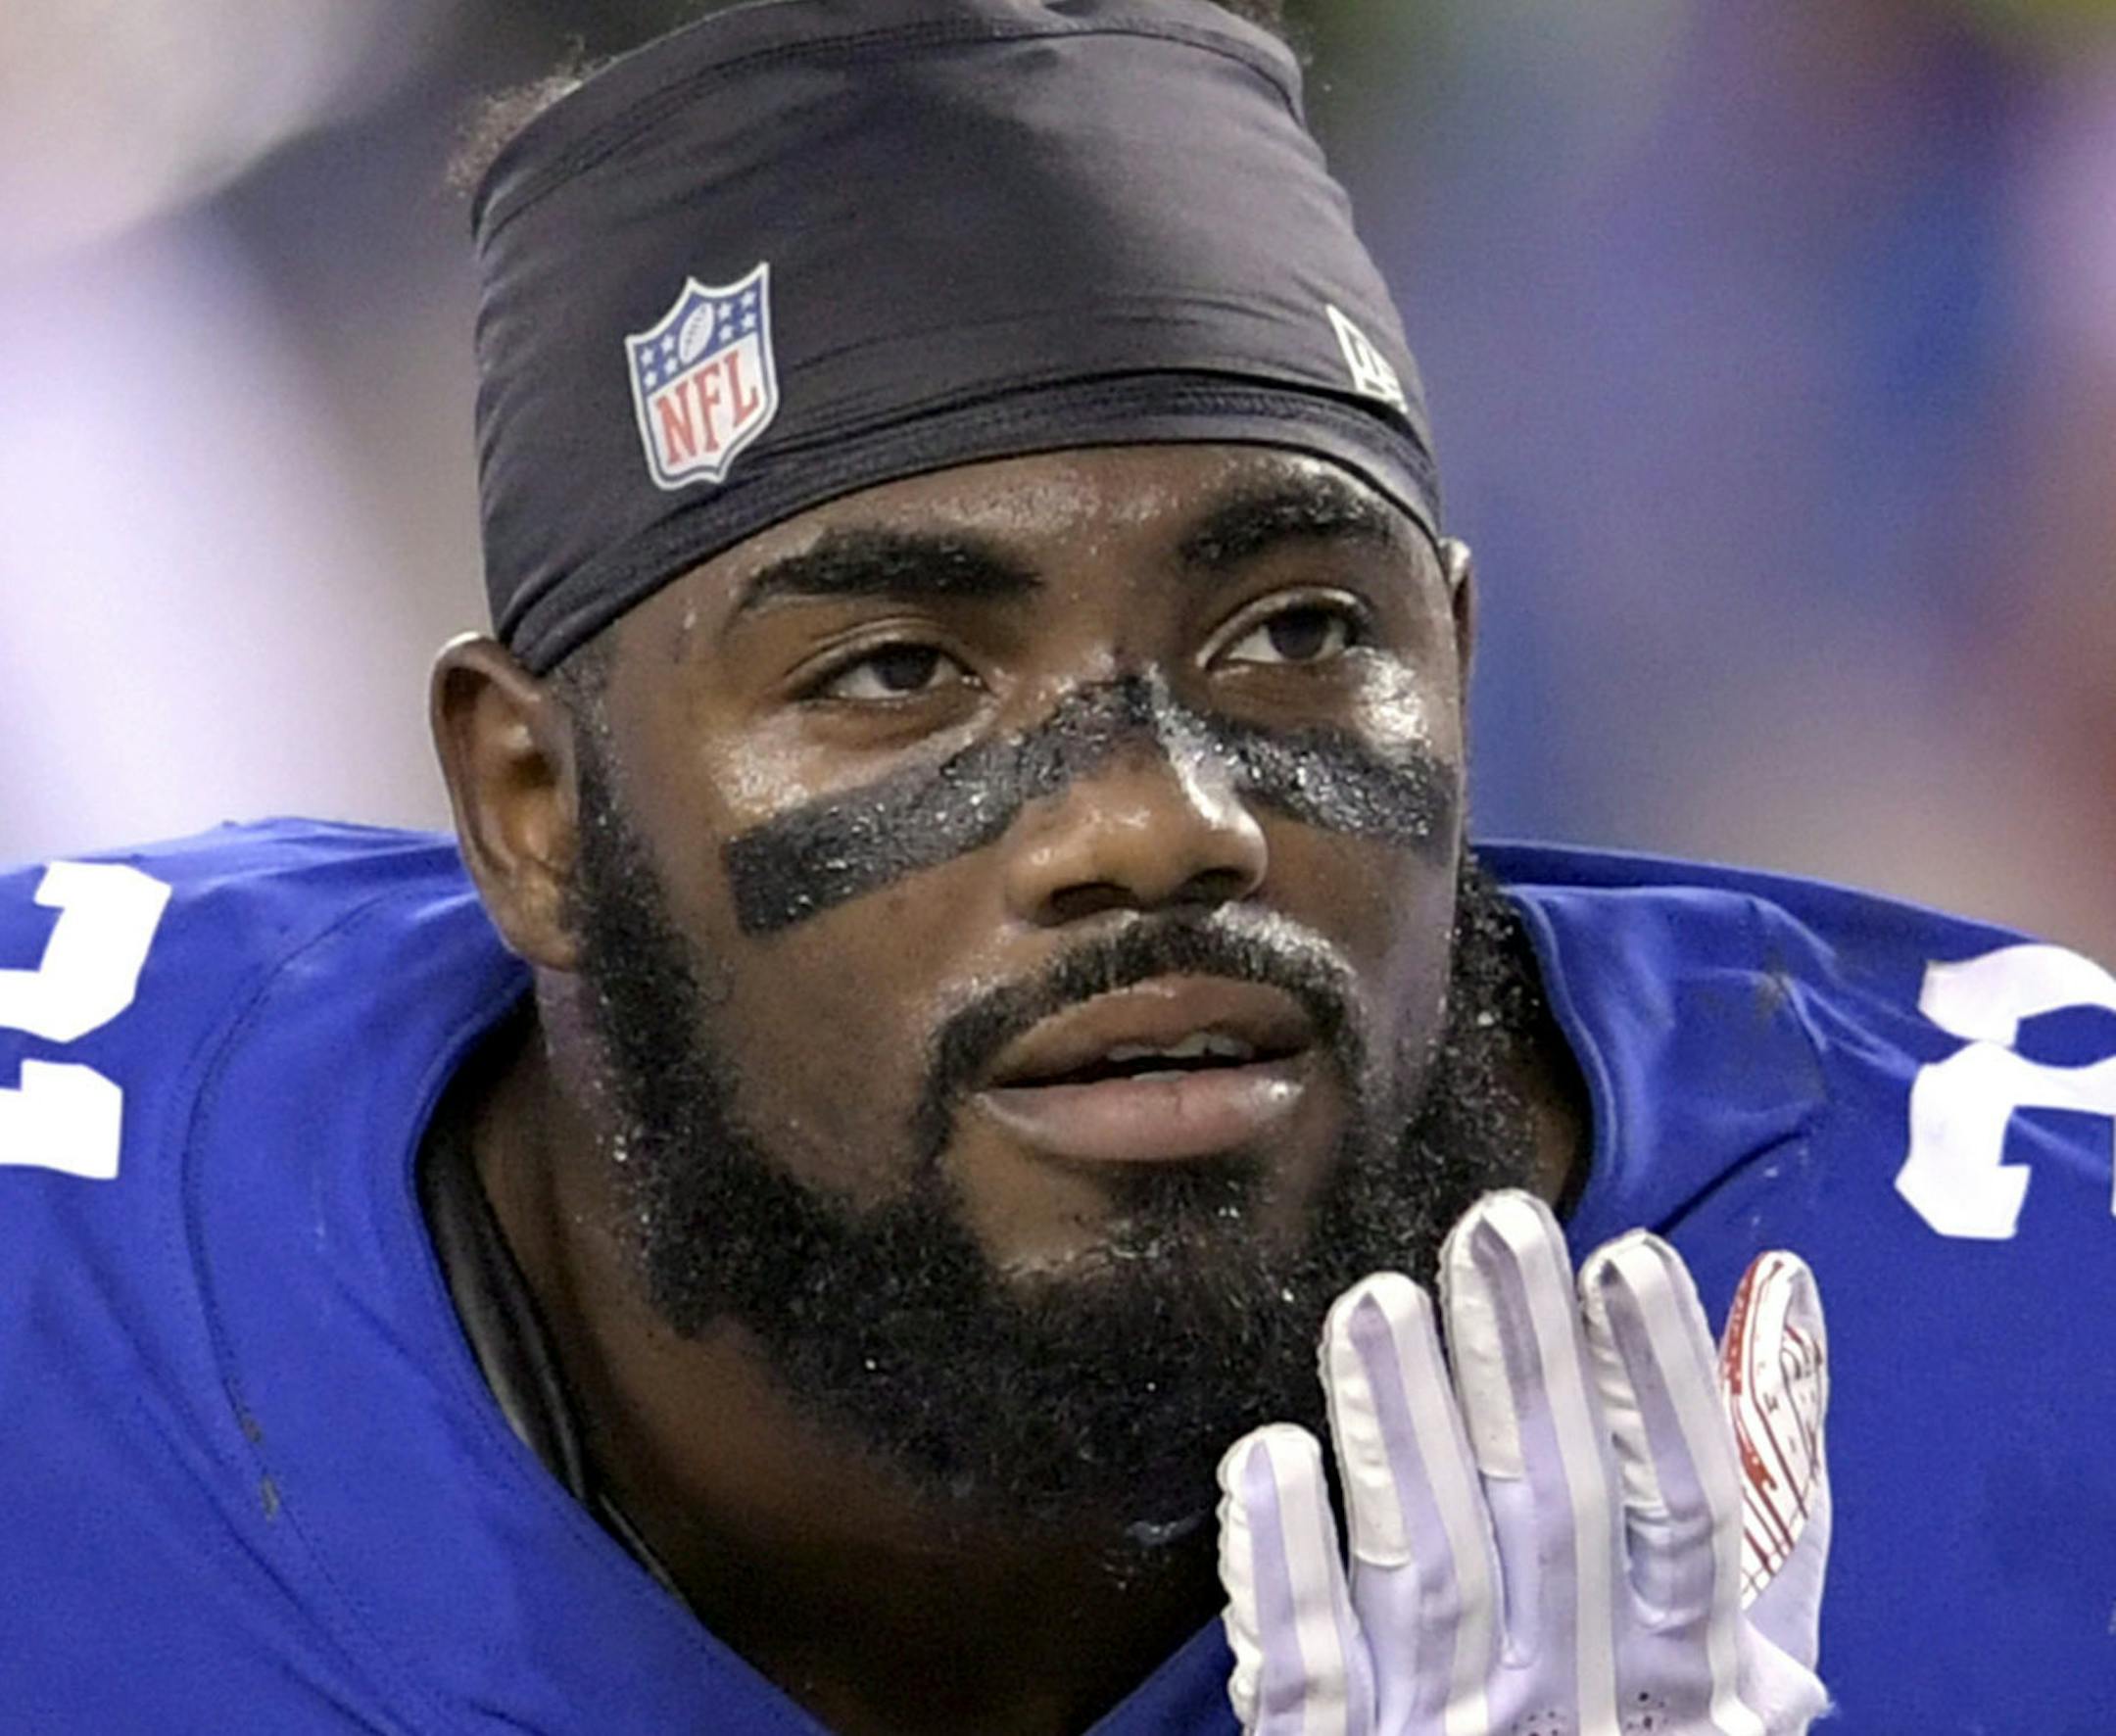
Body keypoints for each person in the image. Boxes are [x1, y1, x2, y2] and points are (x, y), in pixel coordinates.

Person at [0, 1, 2110, 1730]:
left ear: (1457, 669)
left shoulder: (2036, 1294)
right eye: (902, 667)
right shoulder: (66, 1284)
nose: (1159, 817)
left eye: (1297, 633)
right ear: (534, 812)